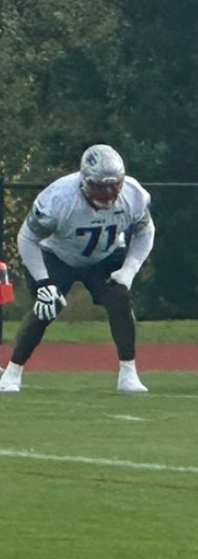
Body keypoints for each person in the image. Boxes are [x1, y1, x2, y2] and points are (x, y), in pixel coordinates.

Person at [1, 145, 155, 394]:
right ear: (84, 180)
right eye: (99, 185)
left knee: (120, 299)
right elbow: (27, 238)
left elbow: (145, 231)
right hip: (57, 256)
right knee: (47, 306)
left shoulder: (133, 194)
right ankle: (12, 372)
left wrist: (128, 271)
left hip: (103, 258)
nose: (106, 193)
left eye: (112, 185)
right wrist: (43, 282)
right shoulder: (60, 198)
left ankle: (128, 373)